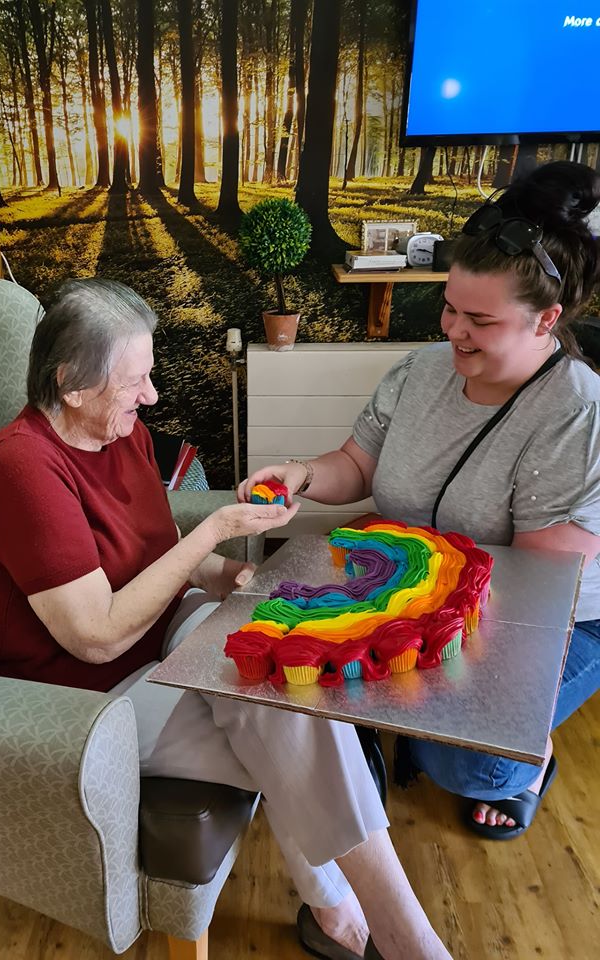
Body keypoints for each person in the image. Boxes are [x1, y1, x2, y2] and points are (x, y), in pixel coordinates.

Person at [0, 278, 452, 960]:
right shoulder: (21, 468)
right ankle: (398, 937)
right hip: (79, 699)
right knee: (289, 725)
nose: (151, 396)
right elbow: (95, 637)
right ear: (70, 385)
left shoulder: (123, 434)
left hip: (159, 647)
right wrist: (217, 529)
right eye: (134, 381)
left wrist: (232, 576)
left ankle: (346, 913)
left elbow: (157, 549)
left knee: (287, 675)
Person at [240, 160, 600, 842]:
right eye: (449, 307)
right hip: (417, 579)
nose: (454, 330)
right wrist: (301, 474)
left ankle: (530, 761)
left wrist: (388, 624)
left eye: (479, 320)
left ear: (546, 320)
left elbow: (530, 588)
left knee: (467, 765)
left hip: (545, 617)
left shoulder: (575, 414)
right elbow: (355, 466)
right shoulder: (421, 370)